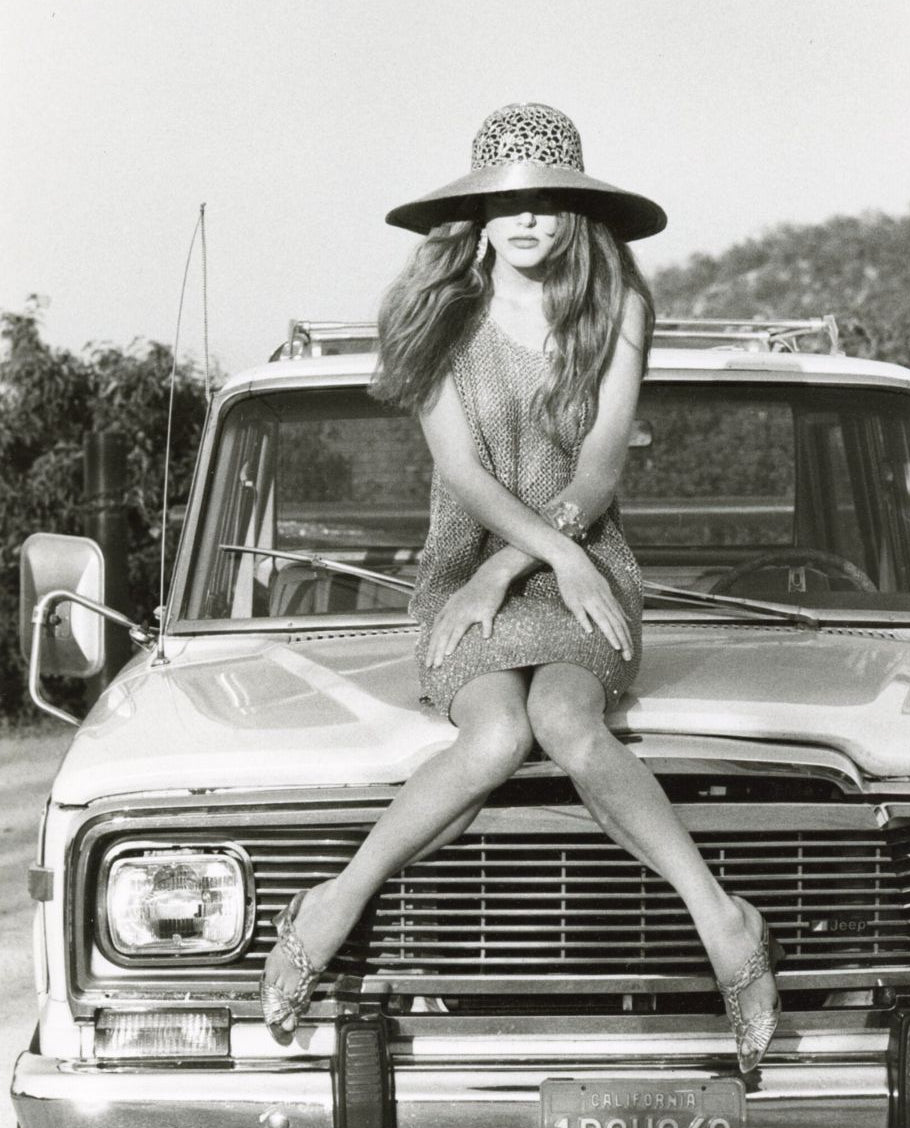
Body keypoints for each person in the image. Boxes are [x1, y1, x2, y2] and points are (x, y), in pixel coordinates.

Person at [260, 102, 781, 1072]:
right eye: (508, 201)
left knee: (569, 722)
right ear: (479, 213)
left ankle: (722, 923)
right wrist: (496, 571)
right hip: (460, 568)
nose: (528, 218)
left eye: (548, 199)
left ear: (577, 209)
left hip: (586, 566)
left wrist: (542, 563)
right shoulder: (435, 319)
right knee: (496, 734)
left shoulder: (617, 308)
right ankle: (334, 902)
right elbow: (463, 476)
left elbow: (599, 467)